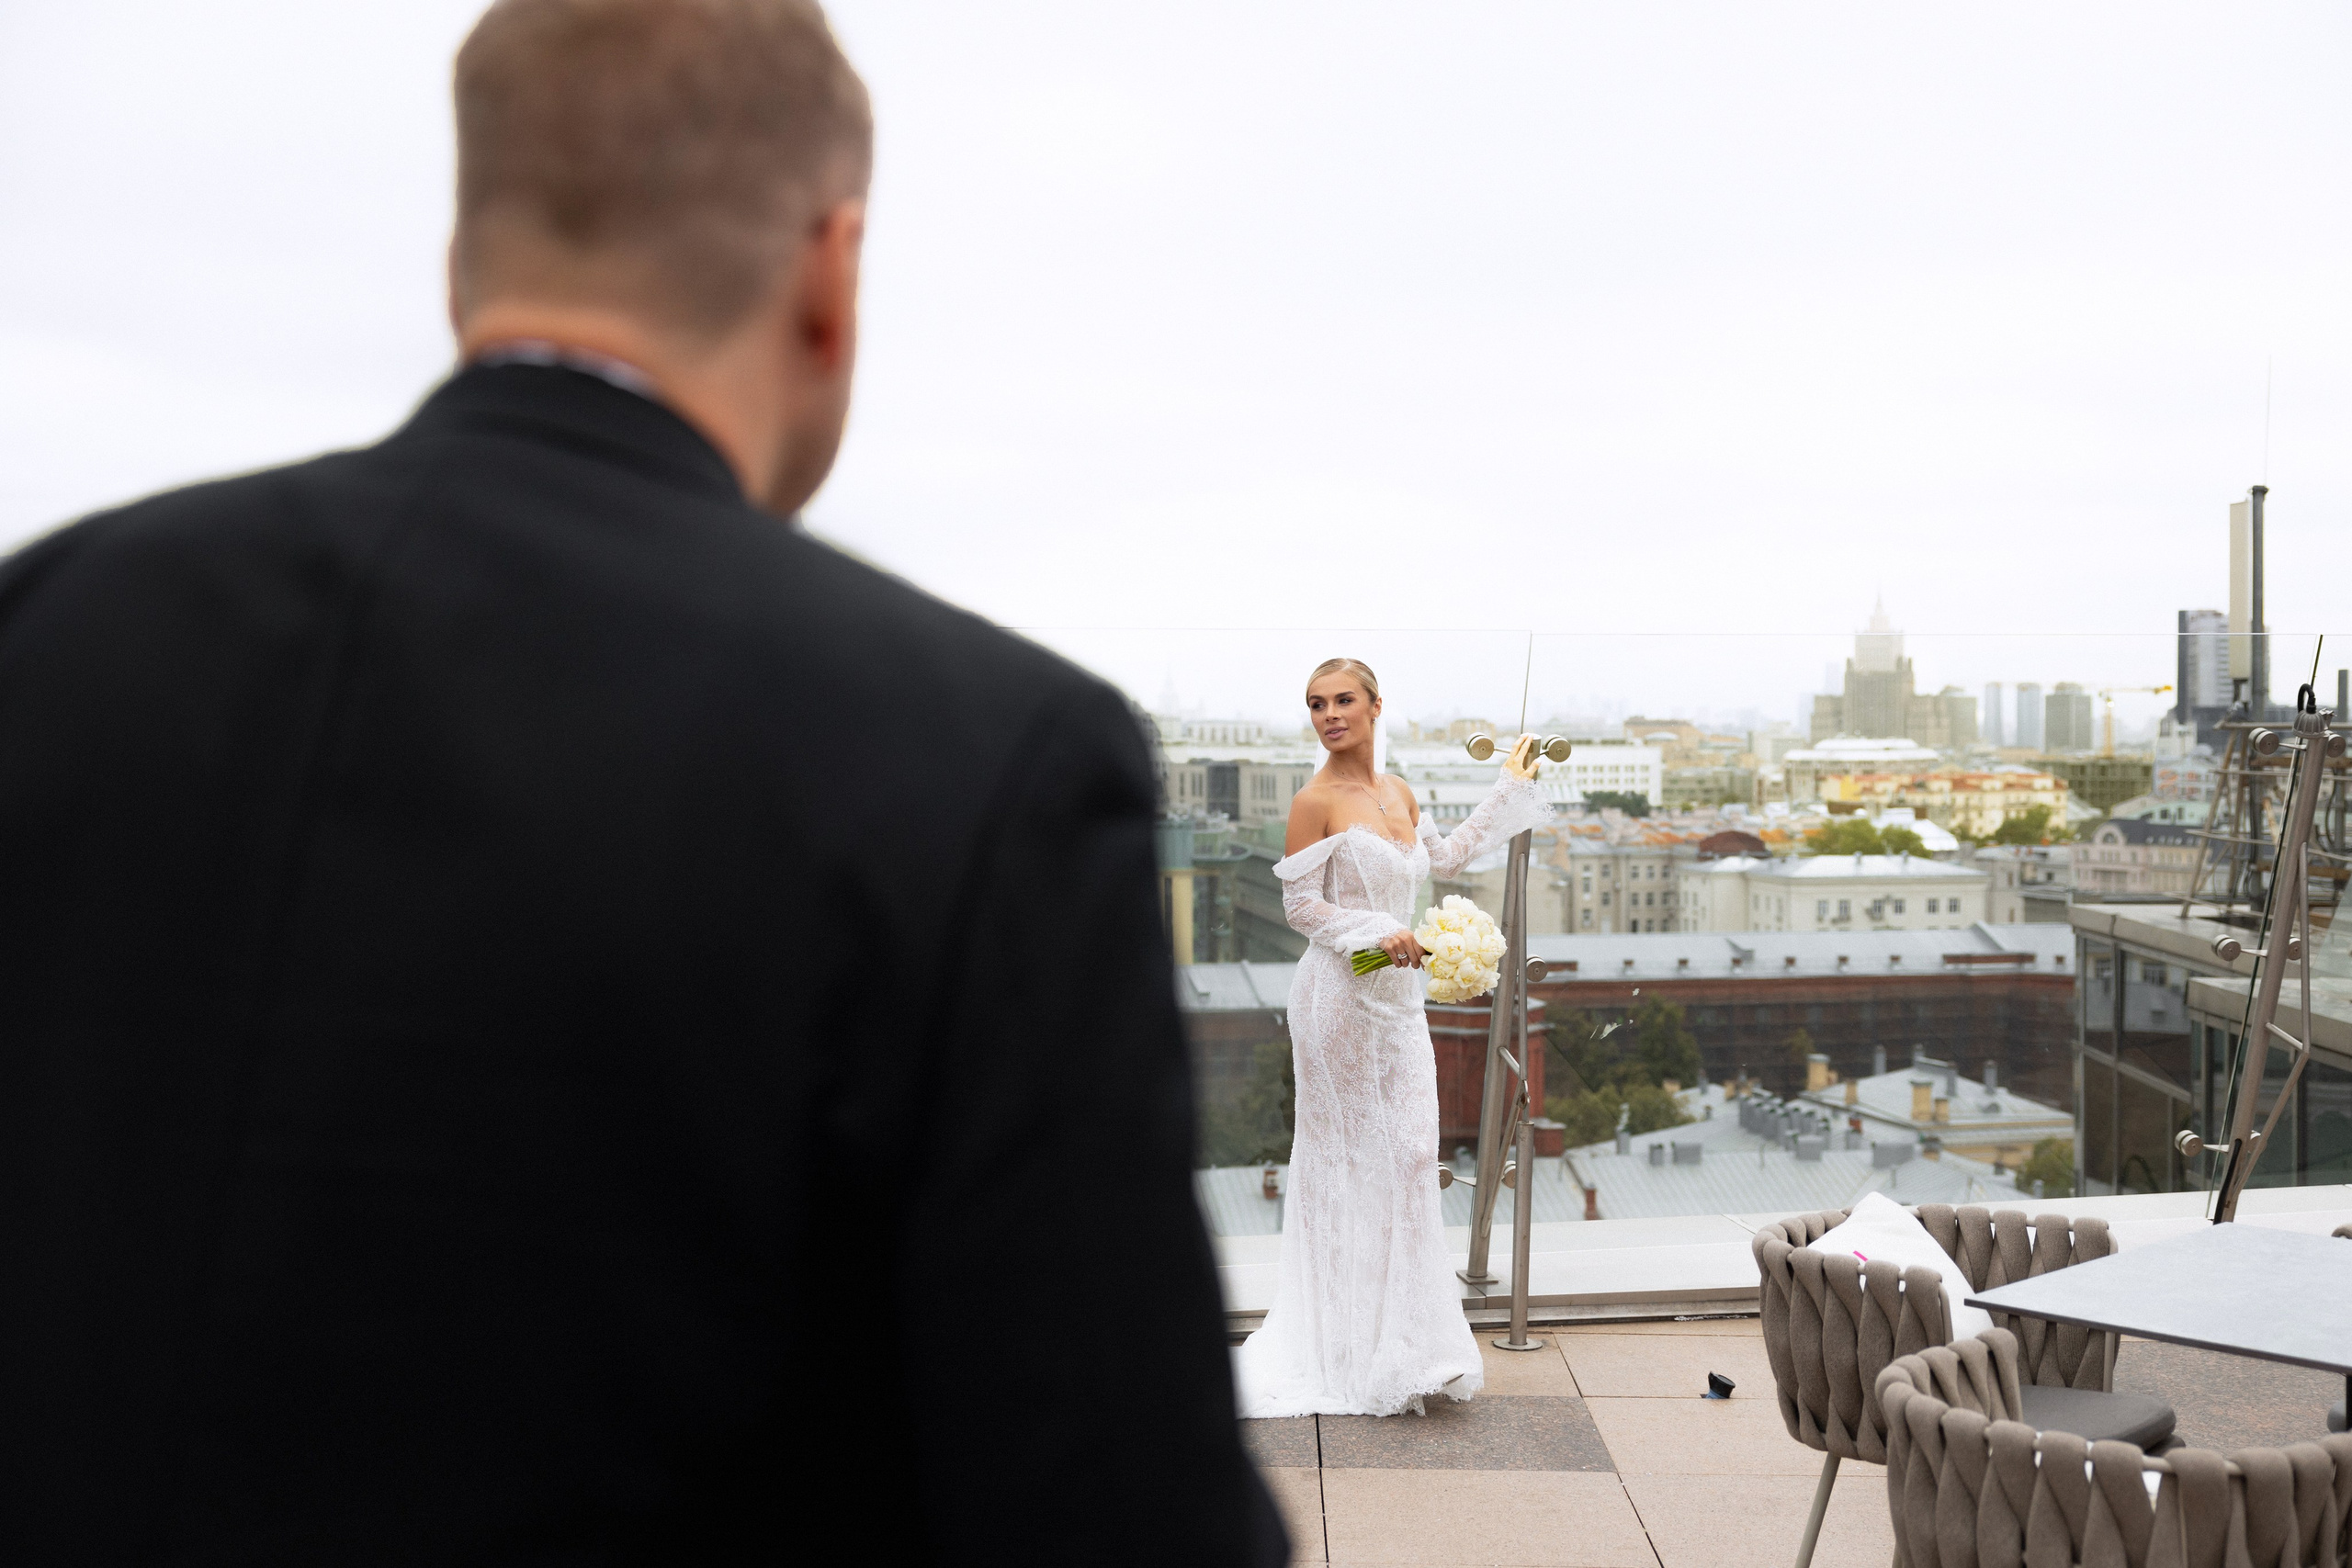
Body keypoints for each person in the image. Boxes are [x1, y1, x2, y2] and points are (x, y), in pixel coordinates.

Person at [0, 1, 1283, 1561]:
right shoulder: (981, 756)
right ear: (830, 273)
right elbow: (1118, 1510)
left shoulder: (52, 627)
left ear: (468, 250)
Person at [1232, 659, 1550, 1417]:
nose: (1329, 714)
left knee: (1409, 1155)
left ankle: (1408, 1343)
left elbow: (1445, 857)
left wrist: (1511, 784)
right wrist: (1377, 932)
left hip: (1398, 999)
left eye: (1344, 700)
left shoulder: (1399, 791)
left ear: (1377, 705)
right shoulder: (1314, 801)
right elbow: (1303, 909)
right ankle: (1344, 1351)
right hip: (1338, 994)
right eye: (1316, 703)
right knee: (1345, 1161)